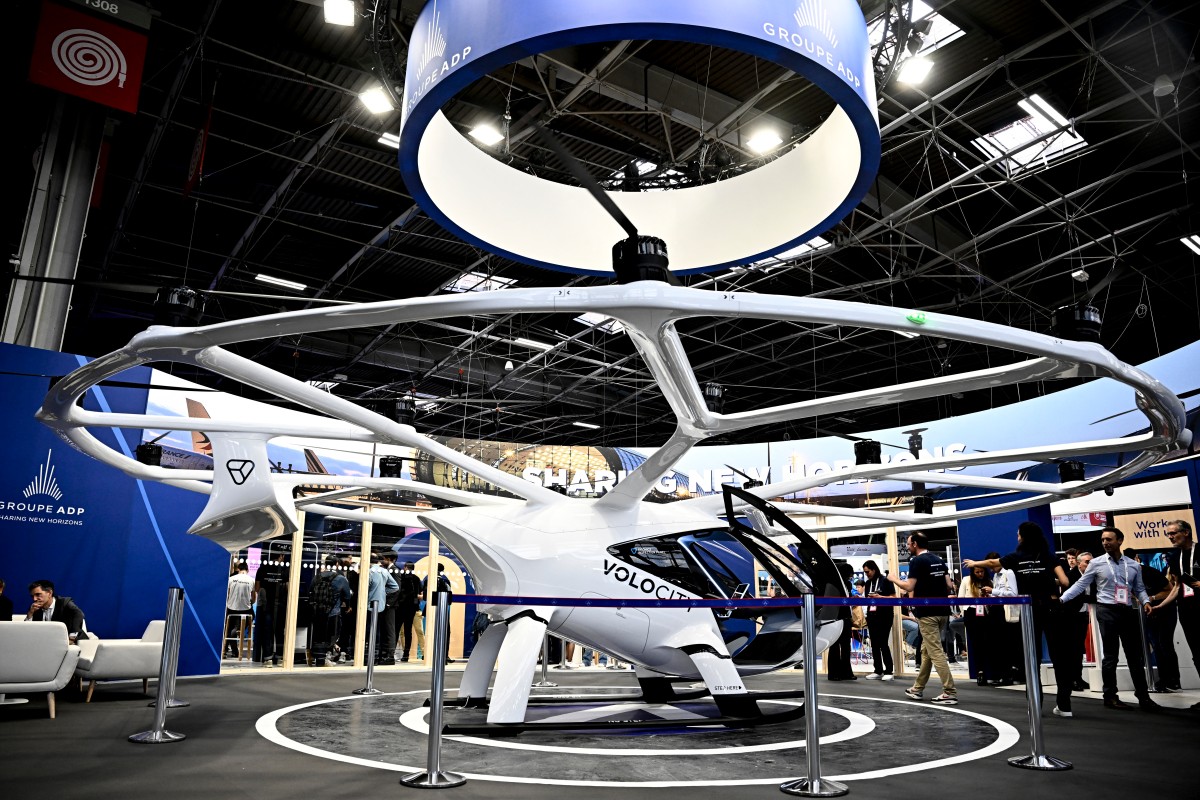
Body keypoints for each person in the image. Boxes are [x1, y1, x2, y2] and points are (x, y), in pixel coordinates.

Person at [964, 521, 1068, 706]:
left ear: (1024, 537)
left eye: (1019, 534)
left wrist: (973, 563)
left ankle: (1035, 702)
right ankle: (1064, 705)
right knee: (1058, 655)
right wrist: (1046, 582)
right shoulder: (1048, 556)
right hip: (1051, 608)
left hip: (1029, 610)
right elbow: (1065, 581)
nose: (1017, 537)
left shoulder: (1016, 557)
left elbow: (991, 562)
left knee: (1031, 657)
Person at [1058, 527, 1159, 712]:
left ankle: (1143, 696)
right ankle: (1110, 696)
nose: (1105, 542)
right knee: (1110, 655)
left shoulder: (1133, 565)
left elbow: (1139, 588)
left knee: (1134, 656)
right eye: (1103, 539)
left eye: (1109, 539)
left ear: (1120, 540)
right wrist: (1062, 599)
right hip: (1106, 610)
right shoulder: (1096, 563)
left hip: (1127, 610)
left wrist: (1145, 601)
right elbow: (1081, 584)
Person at [887, 531, 957, 705]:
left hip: (927, 614)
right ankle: (917, 688)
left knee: (935, 652)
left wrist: (894, 579)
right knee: (926, 651)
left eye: (909, 544)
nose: (908, 547)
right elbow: (949, 585)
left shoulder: (917, 561)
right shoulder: (939, 560)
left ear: (916, 544)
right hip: (943, 612)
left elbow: (909, 585)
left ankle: (950, 691)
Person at [1128, 548, 1179, 693]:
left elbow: (1170, 590)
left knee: (1165, 644)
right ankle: (1163, 680)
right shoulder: (1126, 576)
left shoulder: (1150, 572)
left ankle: (1173, 680)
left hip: (1165, 610)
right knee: (1156, 645)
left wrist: (1151, 598)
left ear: (1137, 559)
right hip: (1147, 612)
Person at [1165, 520, 1199, 710]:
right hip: (1187, 611)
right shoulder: (1174, 556)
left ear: (1186, 532)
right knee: (1197, 654)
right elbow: (1177, 587)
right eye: (1168, 534)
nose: (1170, 537)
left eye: (1173, 533)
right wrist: (1159, 606)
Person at [309, 555, 353, 666]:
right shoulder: (340, 578)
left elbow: (310, 591)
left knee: (319, 635)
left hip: (317, 611)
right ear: (337, 564)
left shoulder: (317, 576)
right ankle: (326, 657)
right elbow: (347, 596)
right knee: (332, 635)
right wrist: (347, 607)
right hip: (333, 612)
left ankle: (319, 658)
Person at [959, 564, 995, 685]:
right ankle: (980, 672)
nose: (980, 574)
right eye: (977, 572)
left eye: (982, 572)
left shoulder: (989, 582)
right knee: (976, 644)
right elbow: (961, 597)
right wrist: (964, 611)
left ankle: (991, 671)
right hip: (971, 613)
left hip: (986, 614)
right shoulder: (966, 580)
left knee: (988, 643)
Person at [862, 559, 895, 681]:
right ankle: (878, 670)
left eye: (868, 571)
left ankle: (889, 670)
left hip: (885, 615)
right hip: (871, 615)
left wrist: (880, 597)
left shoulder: (885, 581)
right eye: (865, 572)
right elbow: (866, 600)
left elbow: (893, 597)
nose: (867, 574)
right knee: (874, 643)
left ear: (874, 569)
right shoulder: (867, 583)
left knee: (883, 643)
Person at [253, 557, 288, 667]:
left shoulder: (262, 569)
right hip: (281, 605)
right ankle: (280, 658)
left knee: (267, 632)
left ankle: (268, 659)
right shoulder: (284, 570)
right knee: (279, 632)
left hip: (266, 605)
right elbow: (288, 588)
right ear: (281, 557)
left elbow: (257, 588)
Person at [366, 552, 398, 664]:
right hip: (381, 605)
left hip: (369, 604)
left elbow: (366, 587)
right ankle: (375, 656)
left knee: (368, 630)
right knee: (378, 630)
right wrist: (384, 593)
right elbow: (395, 587)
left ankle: (367, 656)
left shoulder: (369, 572)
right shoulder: (384, 571)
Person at [827, 561, 857, 681]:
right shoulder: (835, 584)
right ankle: (836, 673)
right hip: (837, 617)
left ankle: (844, 672)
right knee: (836, 645)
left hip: (843, 617)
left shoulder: (846, 585)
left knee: (844, 646)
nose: (850, 577)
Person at [421, 563, 454, 662]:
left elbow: (425, 596)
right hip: (443, 609)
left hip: (431, 609)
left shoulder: (428, 580)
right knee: (445, 632)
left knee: (430, 632)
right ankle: (444, 656)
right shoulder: (446, 581)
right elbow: (449, 598)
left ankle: (429, 654)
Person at [224, 564, 255, 658]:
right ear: (248, 570)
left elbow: (227, 595)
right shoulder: (251, 580)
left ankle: (227, 649)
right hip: (245, 611)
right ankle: (236, 631)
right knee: (250, 617)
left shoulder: (231, 579)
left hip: (231, 609)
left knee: (228, 629)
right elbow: (253, 598)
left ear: (238, 569)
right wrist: (250, 602)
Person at [378, 551, 402, 664]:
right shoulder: (388, 570)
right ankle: (384, 655)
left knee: (390, 630)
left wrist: (388, 604)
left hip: (390, 606)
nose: (382, 561)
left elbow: (397, 589)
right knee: (385, 629)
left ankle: (390, 656)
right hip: (386, 605)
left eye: (384, 558)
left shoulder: (394, 571)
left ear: (389, 559)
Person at [396, 561, 423, 662]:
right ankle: (406, 654)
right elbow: (420, 592)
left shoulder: (401, 577)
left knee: (397, 629)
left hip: (401, 607)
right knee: (408, 631)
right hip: (412, 607)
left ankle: (391, 653)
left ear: (405, 567)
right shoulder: (416, 579)